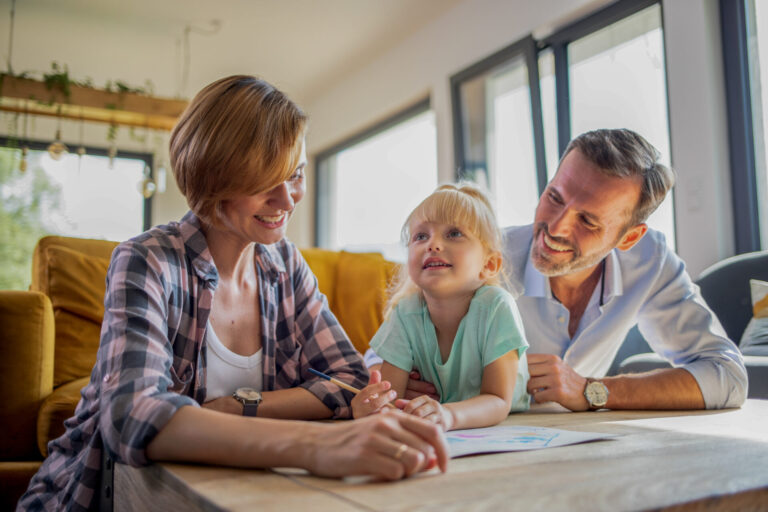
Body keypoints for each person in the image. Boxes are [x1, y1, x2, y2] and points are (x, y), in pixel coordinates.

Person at [19, 75, 447, 511]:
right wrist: (316, 444)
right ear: (212, 180)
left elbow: (347, 382)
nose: (287, 200)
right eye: (264, 181)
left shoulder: (286, 266)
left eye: (295, 175)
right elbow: (132, 417)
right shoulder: (146, 260)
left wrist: (240, 406)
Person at [367, 128, 747, 411]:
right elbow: (385, 352)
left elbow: (728, 377)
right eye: (554, 197)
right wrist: (402, 385)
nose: (556, 227)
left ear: (628, 238)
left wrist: (594, 391)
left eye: (588, 221)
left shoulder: (650, 261)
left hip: (576, 443)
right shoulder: (480, 257)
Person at [352, 184, 530, 431]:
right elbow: (390, 397)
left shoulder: (497, 306)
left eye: (454, 233)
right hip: (441, 419)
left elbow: (498, 400)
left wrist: (447, 415)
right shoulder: (405, 312)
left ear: (489, 265)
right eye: (421, 236)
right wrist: (371, 408)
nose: (433, 244)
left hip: (511, 420)